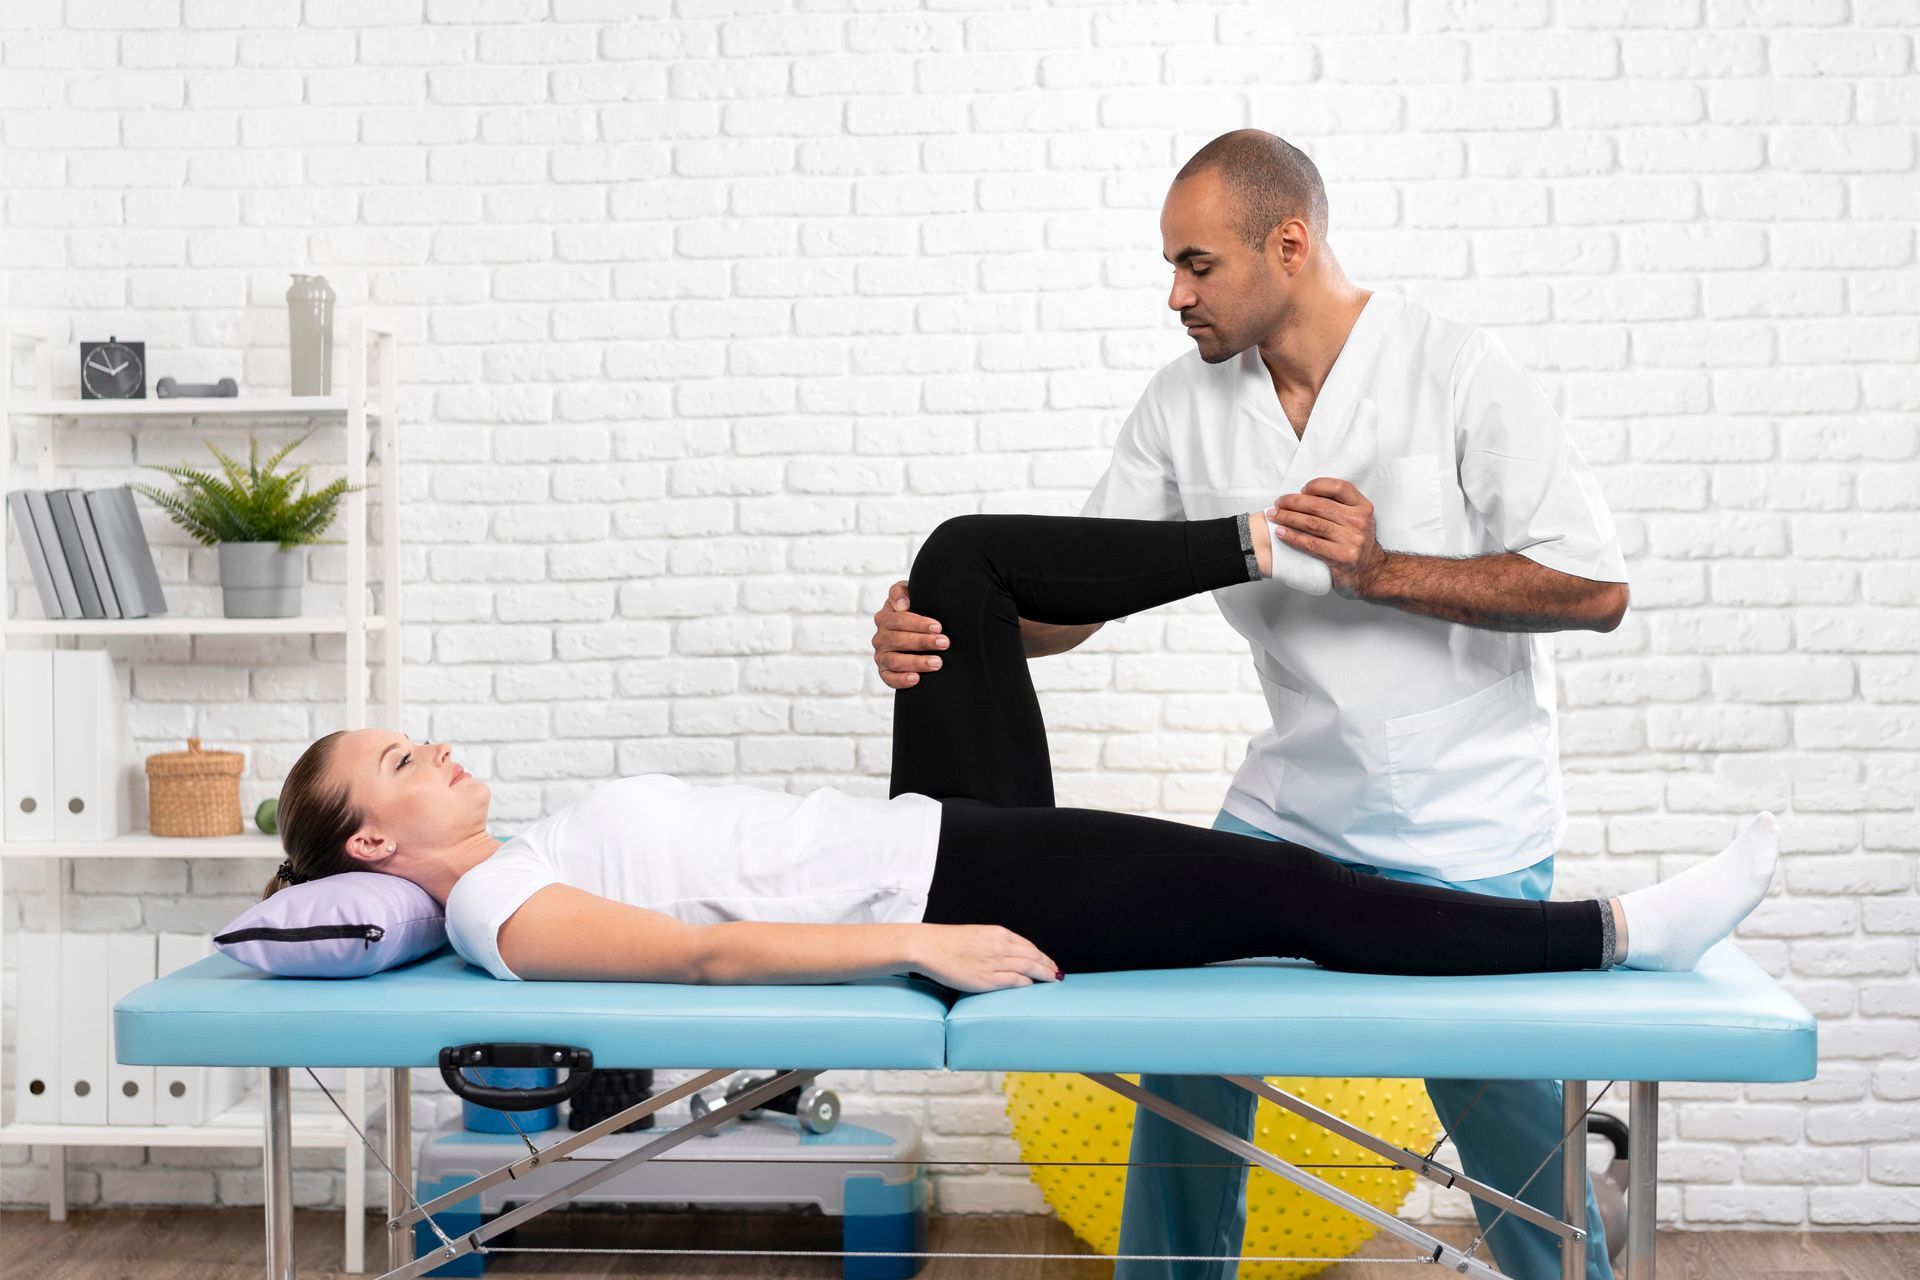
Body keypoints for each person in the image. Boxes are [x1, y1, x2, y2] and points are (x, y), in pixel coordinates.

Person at [868, 130, 1642, 1279]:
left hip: (1469, 816)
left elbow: (1595, 590)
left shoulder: (1457, 369)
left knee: (1506, 1124)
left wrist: (1389, 569)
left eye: (1197, 264)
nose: (1174, 294)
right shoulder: (1182, 403)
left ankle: (1576, 1254)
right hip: (1289, 804)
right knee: (1186, 1067)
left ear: (1290, 244)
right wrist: (944, 623)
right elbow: (1069, 607)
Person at [267, 509, 1776, 1005]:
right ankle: (1615, 936)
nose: (441, 747)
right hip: (958, 878)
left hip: (931, 822)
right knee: (1285, 895)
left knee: (955, 568)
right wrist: (933, 942)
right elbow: (699, 963)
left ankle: (1255, 538)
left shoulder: (501, 863)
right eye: (405, 758)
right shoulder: (491, 905)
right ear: (374, 847)